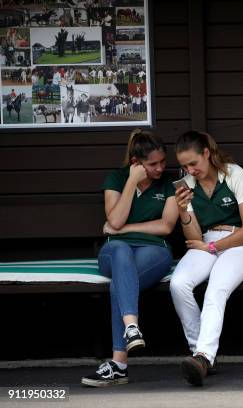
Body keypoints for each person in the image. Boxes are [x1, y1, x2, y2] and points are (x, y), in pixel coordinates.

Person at [81, 130, 179, 387]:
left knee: (119, 284)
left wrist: (124, 230)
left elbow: (166, 226)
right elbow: (114, 219)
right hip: (114, 251)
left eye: (162, 162)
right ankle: (131, 328)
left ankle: (119, 364)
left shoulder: (168, 184)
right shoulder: (117, 178)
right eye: (152, 164)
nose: (160, 168)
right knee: (122, 251)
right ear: (136, 163)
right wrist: (130, 182)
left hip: (154, 250)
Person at [170, 131, 243, 386]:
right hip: (205, 241)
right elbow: (194, 235)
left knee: (215, 290)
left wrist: (212, 247)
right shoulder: (186, 185)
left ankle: (202, 357)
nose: (190, 170)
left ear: (206, 154)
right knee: (179, 284)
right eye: (184, 165)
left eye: (193, 163)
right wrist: (183, 209)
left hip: (238, 242)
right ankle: (202, 354)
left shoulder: (233, 174)